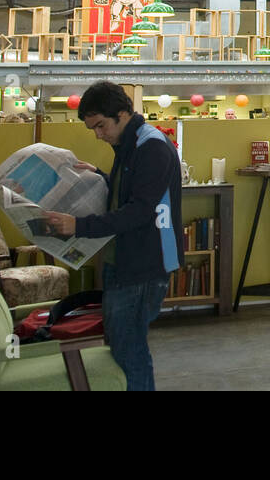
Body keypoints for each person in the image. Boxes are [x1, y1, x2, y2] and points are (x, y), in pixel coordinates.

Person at [43, 81, 181, 392]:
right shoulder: (129, 145)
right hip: (125, 262)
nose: (98, 134)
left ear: (123, 114)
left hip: (143, 266)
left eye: (101, 126)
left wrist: (77, 226)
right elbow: (130, 196)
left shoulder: (153, 147)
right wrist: (101, 177)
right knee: (123, 347)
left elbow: (139, 211)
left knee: (129, 351)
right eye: (93, 128)